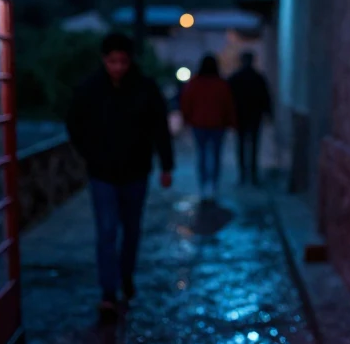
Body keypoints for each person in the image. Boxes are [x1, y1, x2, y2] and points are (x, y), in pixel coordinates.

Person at [67, 32, 174, 322]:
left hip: (136, 171)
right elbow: (74, 124)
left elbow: (160, 127)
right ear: (104, 60)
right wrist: (90, 153)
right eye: (113, 61)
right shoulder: (89, 89)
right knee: (106, 231)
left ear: (130, 61)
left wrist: (167, 165)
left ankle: (125, 275)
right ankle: (108, 291)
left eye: (123, 61)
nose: (118, 67)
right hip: (102, 172)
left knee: (131, 230)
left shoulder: (146, 89)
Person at [180, 55, 237, 201]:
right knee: (216, 155)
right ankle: (213, 184)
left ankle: (204, 184)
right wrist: (230, 122)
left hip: (199, 124)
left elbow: (186, 102)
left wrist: (187, 119)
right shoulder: (221, 84)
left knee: (202, 154)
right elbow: (228, 105)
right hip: (217, 124)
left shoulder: (195, 83)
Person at [227, 52, 272, 185]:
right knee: (252, 146)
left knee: (241, 145)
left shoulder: (236, 77)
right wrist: (268, 113)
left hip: (242, 116)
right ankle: (251, 174)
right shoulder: (257, 77)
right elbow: (265, 97)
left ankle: (244, 174)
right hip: (253, 116)